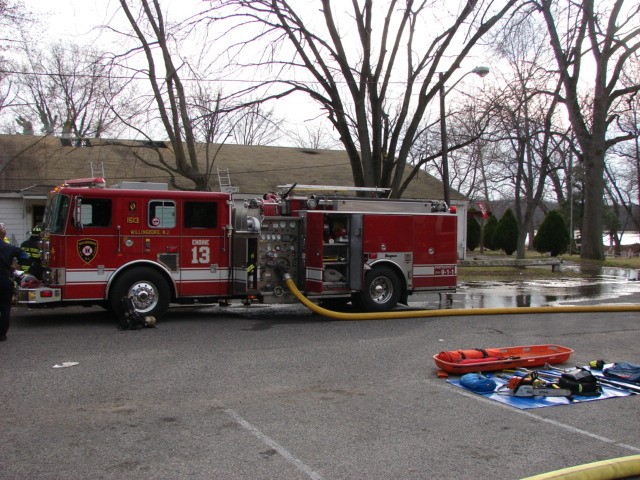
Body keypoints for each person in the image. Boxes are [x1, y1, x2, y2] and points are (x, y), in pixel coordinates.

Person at [0, 223, 29, 341]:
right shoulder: (10, 247)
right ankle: (2, 334)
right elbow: (25, 256)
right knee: (5, 307)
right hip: (5, 279)